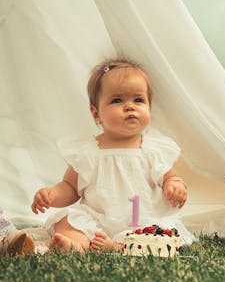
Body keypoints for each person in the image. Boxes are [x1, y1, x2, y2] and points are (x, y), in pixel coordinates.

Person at [26, 58, 195, 254]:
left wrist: (175, 186)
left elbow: (170, 176)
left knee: (160, 236)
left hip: (143, 220)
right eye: (117, 100)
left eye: (138, 100)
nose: (130, 106)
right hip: (98, 220)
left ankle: (117, 246)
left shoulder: (153, 149)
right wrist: (52, 195)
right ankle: (75, 244)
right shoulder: (89, 152)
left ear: (149, 107)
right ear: (96, 113)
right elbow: (71, 187)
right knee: (67, 221)